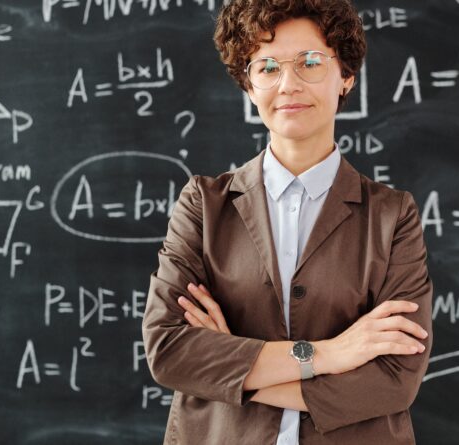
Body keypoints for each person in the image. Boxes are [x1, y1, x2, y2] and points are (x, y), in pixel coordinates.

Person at [141, 0, 434, 443]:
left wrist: (238, 373)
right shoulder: (204, 204)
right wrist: (330, 354)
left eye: (311, 62)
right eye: (268, 67)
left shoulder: (393, 215)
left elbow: (395, 378)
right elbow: (170, 351)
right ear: (249, 84)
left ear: (346, 77)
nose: (288, 84)